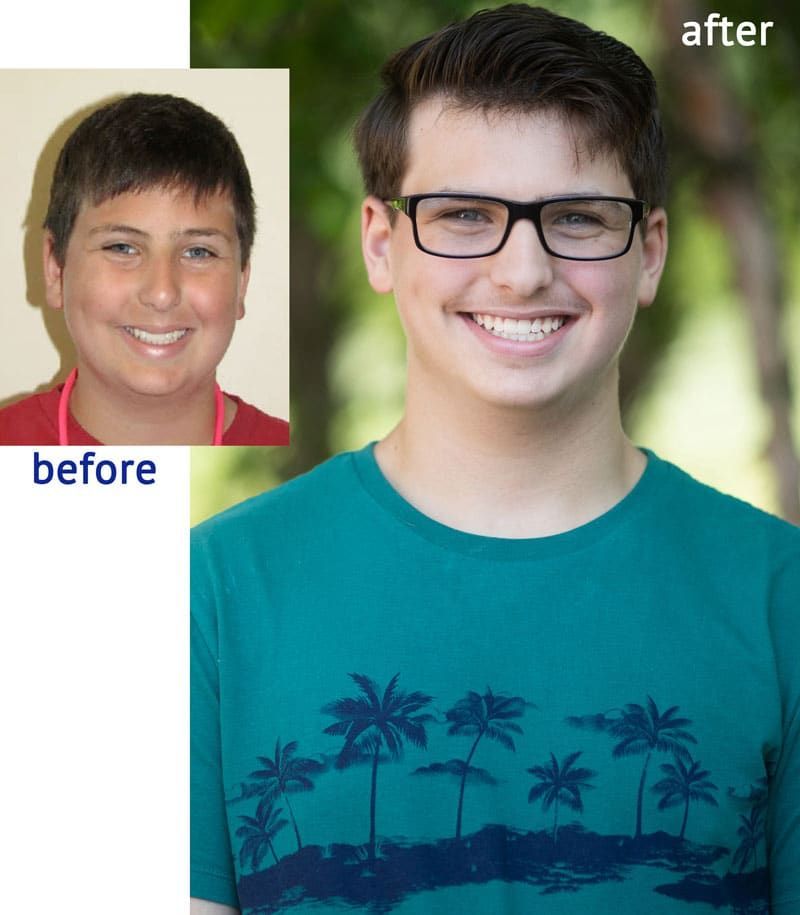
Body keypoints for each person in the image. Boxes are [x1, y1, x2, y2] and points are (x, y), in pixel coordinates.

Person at [191, 5, 798, 913]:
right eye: (465, 215)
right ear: (379, 243)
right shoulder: (213, 592)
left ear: (651, 252)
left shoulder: (779, 592)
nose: (521, 272)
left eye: (581, 218)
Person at [0, 93, 289, 445]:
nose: (162, 293)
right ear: (55, 268)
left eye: (198, 252)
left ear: (241, 282)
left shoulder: (306, 474)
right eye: (122, 247)